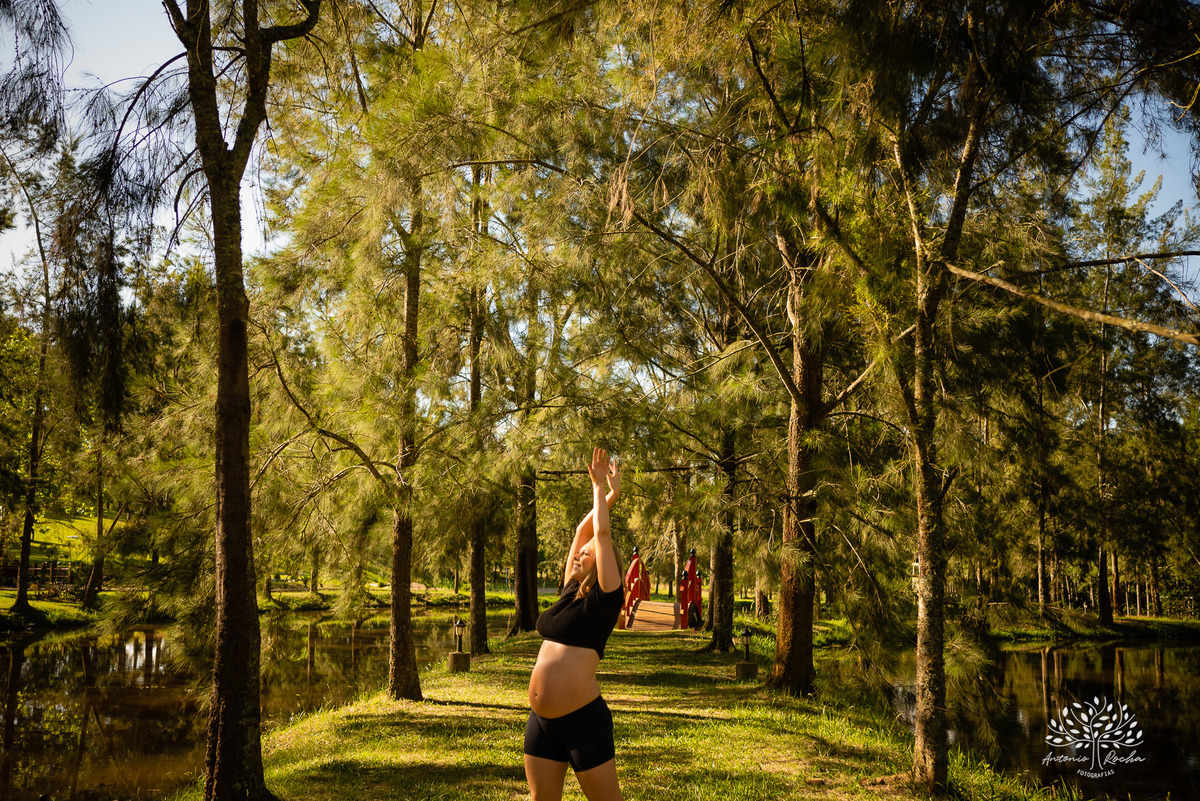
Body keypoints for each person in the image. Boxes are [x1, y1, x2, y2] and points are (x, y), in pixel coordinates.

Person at [524, 447, 625, 801]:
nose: (580, 552)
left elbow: (601, 534)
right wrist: (612, 496)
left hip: (583, 722)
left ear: (604, 563)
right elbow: (585, 530)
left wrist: (599, 486)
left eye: (588, 553)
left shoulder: (606, 598)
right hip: (541, 722)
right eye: (580, 551)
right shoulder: (569, 591)